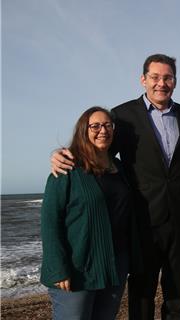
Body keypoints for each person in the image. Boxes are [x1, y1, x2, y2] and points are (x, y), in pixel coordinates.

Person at [50, 54, 180, 320]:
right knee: (142, 294)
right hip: (141, 222)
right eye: (155, 77)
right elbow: (99, 151)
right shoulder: (124, 116)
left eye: (167, 78)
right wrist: (64, 154)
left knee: (178, 295)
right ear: (143, 80)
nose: (161, 83)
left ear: (174, 81)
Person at [41, 107, 133, 319]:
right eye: (96, 126)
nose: (103, 130)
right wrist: (58, 268)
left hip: (114, 266)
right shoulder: (67, 167)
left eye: (108, 125)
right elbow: (50, 221)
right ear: (84, 130)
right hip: (78, 267)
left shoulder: (119, 168)